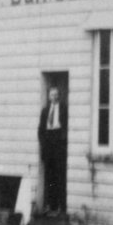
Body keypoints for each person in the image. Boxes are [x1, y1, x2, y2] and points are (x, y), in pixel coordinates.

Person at [37, 86, 68, 215]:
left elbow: (66, 126)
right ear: (49, 97)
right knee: (50, 177)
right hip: (48, 143)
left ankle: (61, 206)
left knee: (60, 175)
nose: (53, 97)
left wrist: (62, 142)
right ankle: (51, 205)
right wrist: (44, 144)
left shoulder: (63, 109)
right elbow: (40, 130)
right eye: (51, 95)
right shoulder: (45, 111)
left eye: (56, 95)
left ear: (59, 96)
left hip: (59, 142)